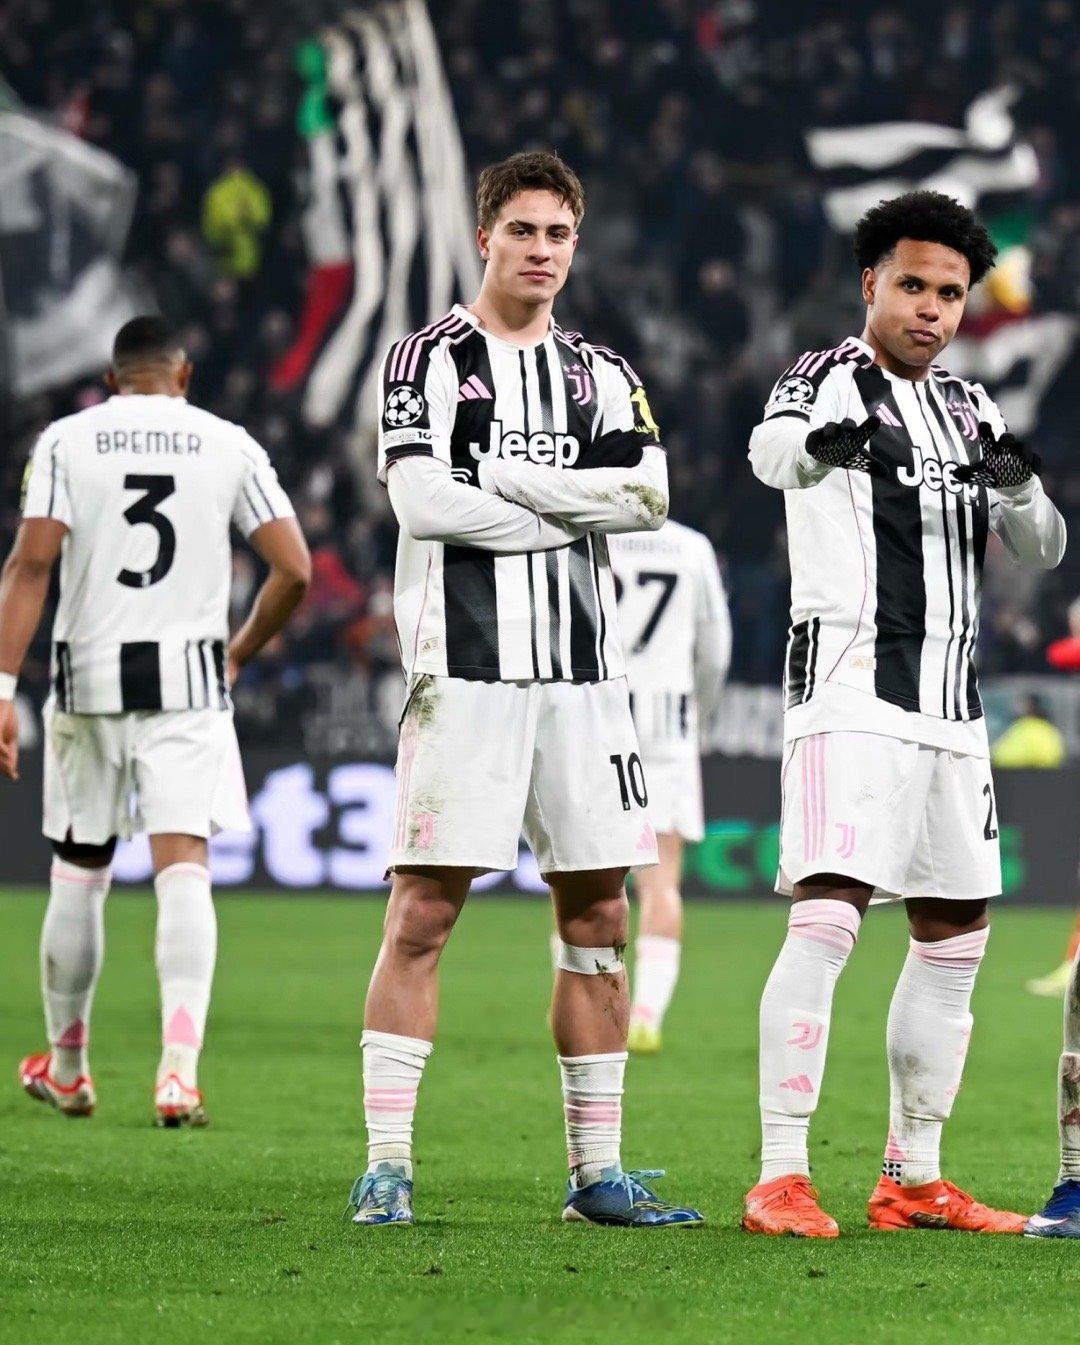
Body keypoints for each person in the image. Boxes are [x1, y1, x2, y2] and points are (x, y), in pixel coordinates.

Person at [346, 150, 704, 1229]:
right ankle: (388, 1166)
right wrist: (567, 509)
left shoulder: (601, 371)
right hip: (464, 673)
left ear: (574, 245)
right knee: (423, 911)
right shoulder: (426, 358)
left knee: (599, 913)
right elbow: (423, 505)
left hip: (587, 683)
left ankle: (597, 1174)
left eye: (558, 234)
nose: (541, 251)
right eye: (523, 231)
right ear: (486, 237)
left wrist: (501, 480)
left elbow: (649, 498)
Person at [742, 190, 1066, 1238]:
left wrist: (1019, 491)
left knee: (956, 932)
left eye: (951, 293)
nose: (931, 309)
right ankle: (780, 1175)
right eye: (913, 286)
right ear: (870, 283)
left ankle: (911, 1177)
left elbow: (1044, 548)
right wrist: (823, 447)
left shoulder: (971, 407)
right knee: (830, 914)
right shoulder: (825, 377)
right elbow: (770, 455)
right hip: (851, 688)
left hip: (954, 708)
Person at [0, 317, 310, 1126]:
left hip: (89, 682)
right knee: (184, 869)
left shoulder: (67, 441)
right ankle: (178, 1074)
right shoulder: (228, 444)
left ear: (112, 379)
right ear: (184, 373)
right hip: (189, 686)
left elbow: (30, 564)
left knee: (80, 867)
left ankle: (69, 1067)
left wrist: (0, 687)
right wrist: (238, 651)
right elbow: (294, 569)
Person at [607, 521, 731, 1054]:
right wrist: (698, 712)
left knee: (584, 876)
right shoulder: (691, 546)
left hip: (597, 716)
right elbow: (716, 648)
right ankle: (646, 1015)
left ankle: (588, 1005)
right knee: (661, 881)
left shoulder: (588, 529)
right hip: (667, 722)